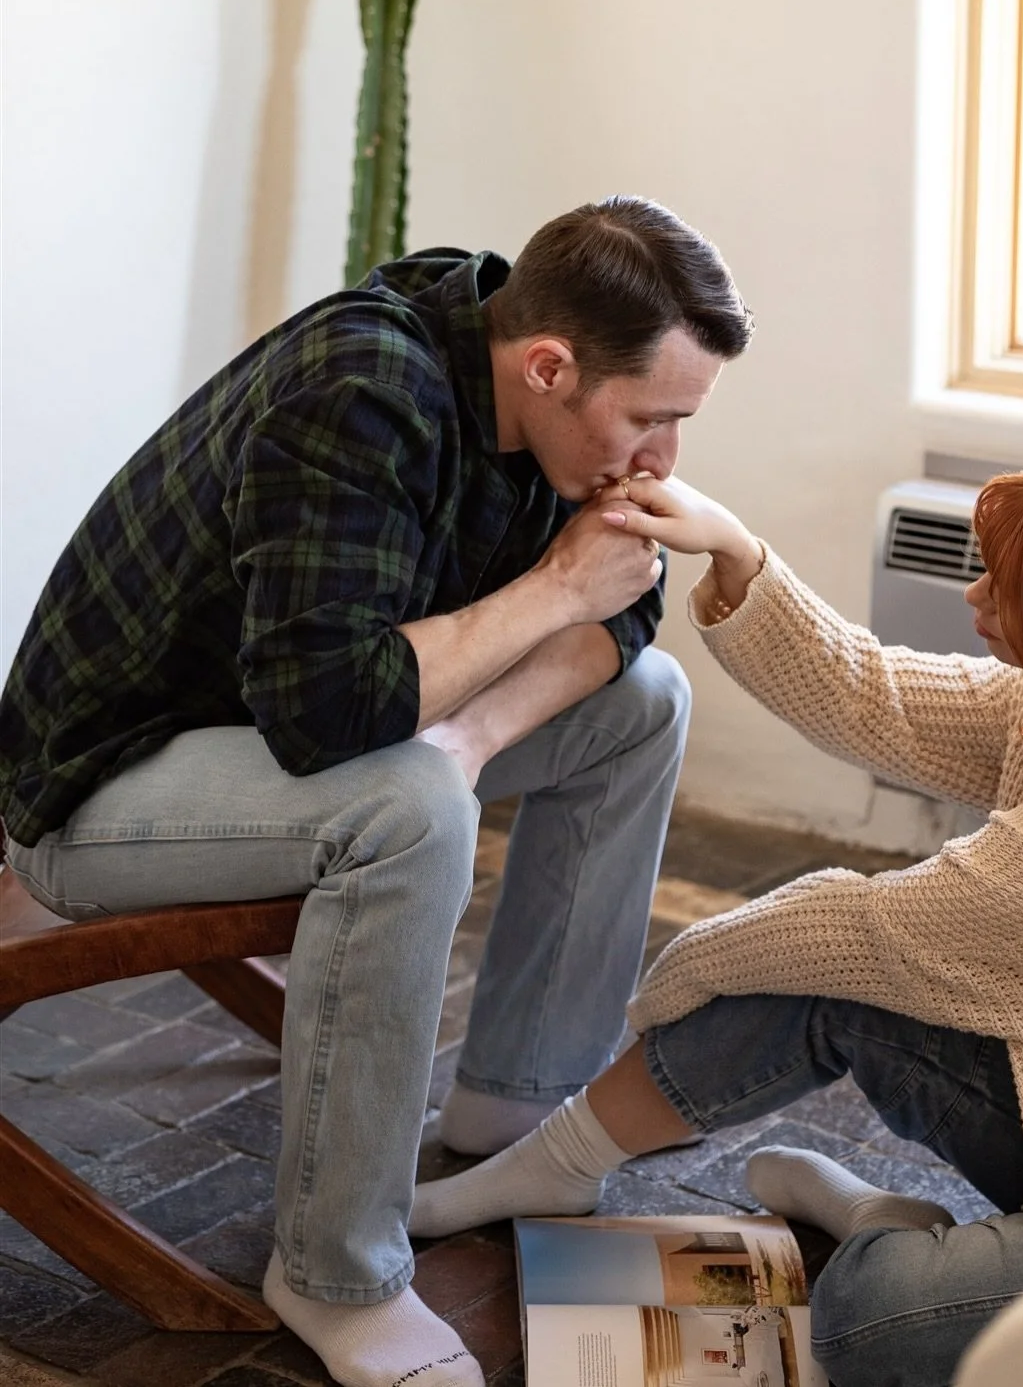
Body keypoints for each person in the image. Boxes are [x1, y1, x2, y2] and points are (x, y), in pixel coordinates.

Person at [0, 197, 753, 1387]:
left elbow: (630, 601)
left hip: (276, 736)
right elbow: (331, 709)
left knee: (641, 703)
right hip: (105, 782)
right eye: (651, 417)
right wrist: (553, 589)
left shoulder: (530, 387)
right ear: (551, 365)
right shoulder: (364, 388)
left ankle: (514, 1109)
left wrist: (475, 732)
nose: (661, 459)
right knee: (404, 804)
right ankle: (333, 1270)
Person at [406, 445, 1023, 1387]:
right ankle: (558, 1164)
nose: (975, 593)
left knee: (870, 1321)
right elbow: (871, 694)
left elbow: (860, 929)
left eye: (1008, 580)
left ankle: (878, 1218)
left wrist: (673, 978)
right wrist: (736, 551)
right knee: (807, 972)